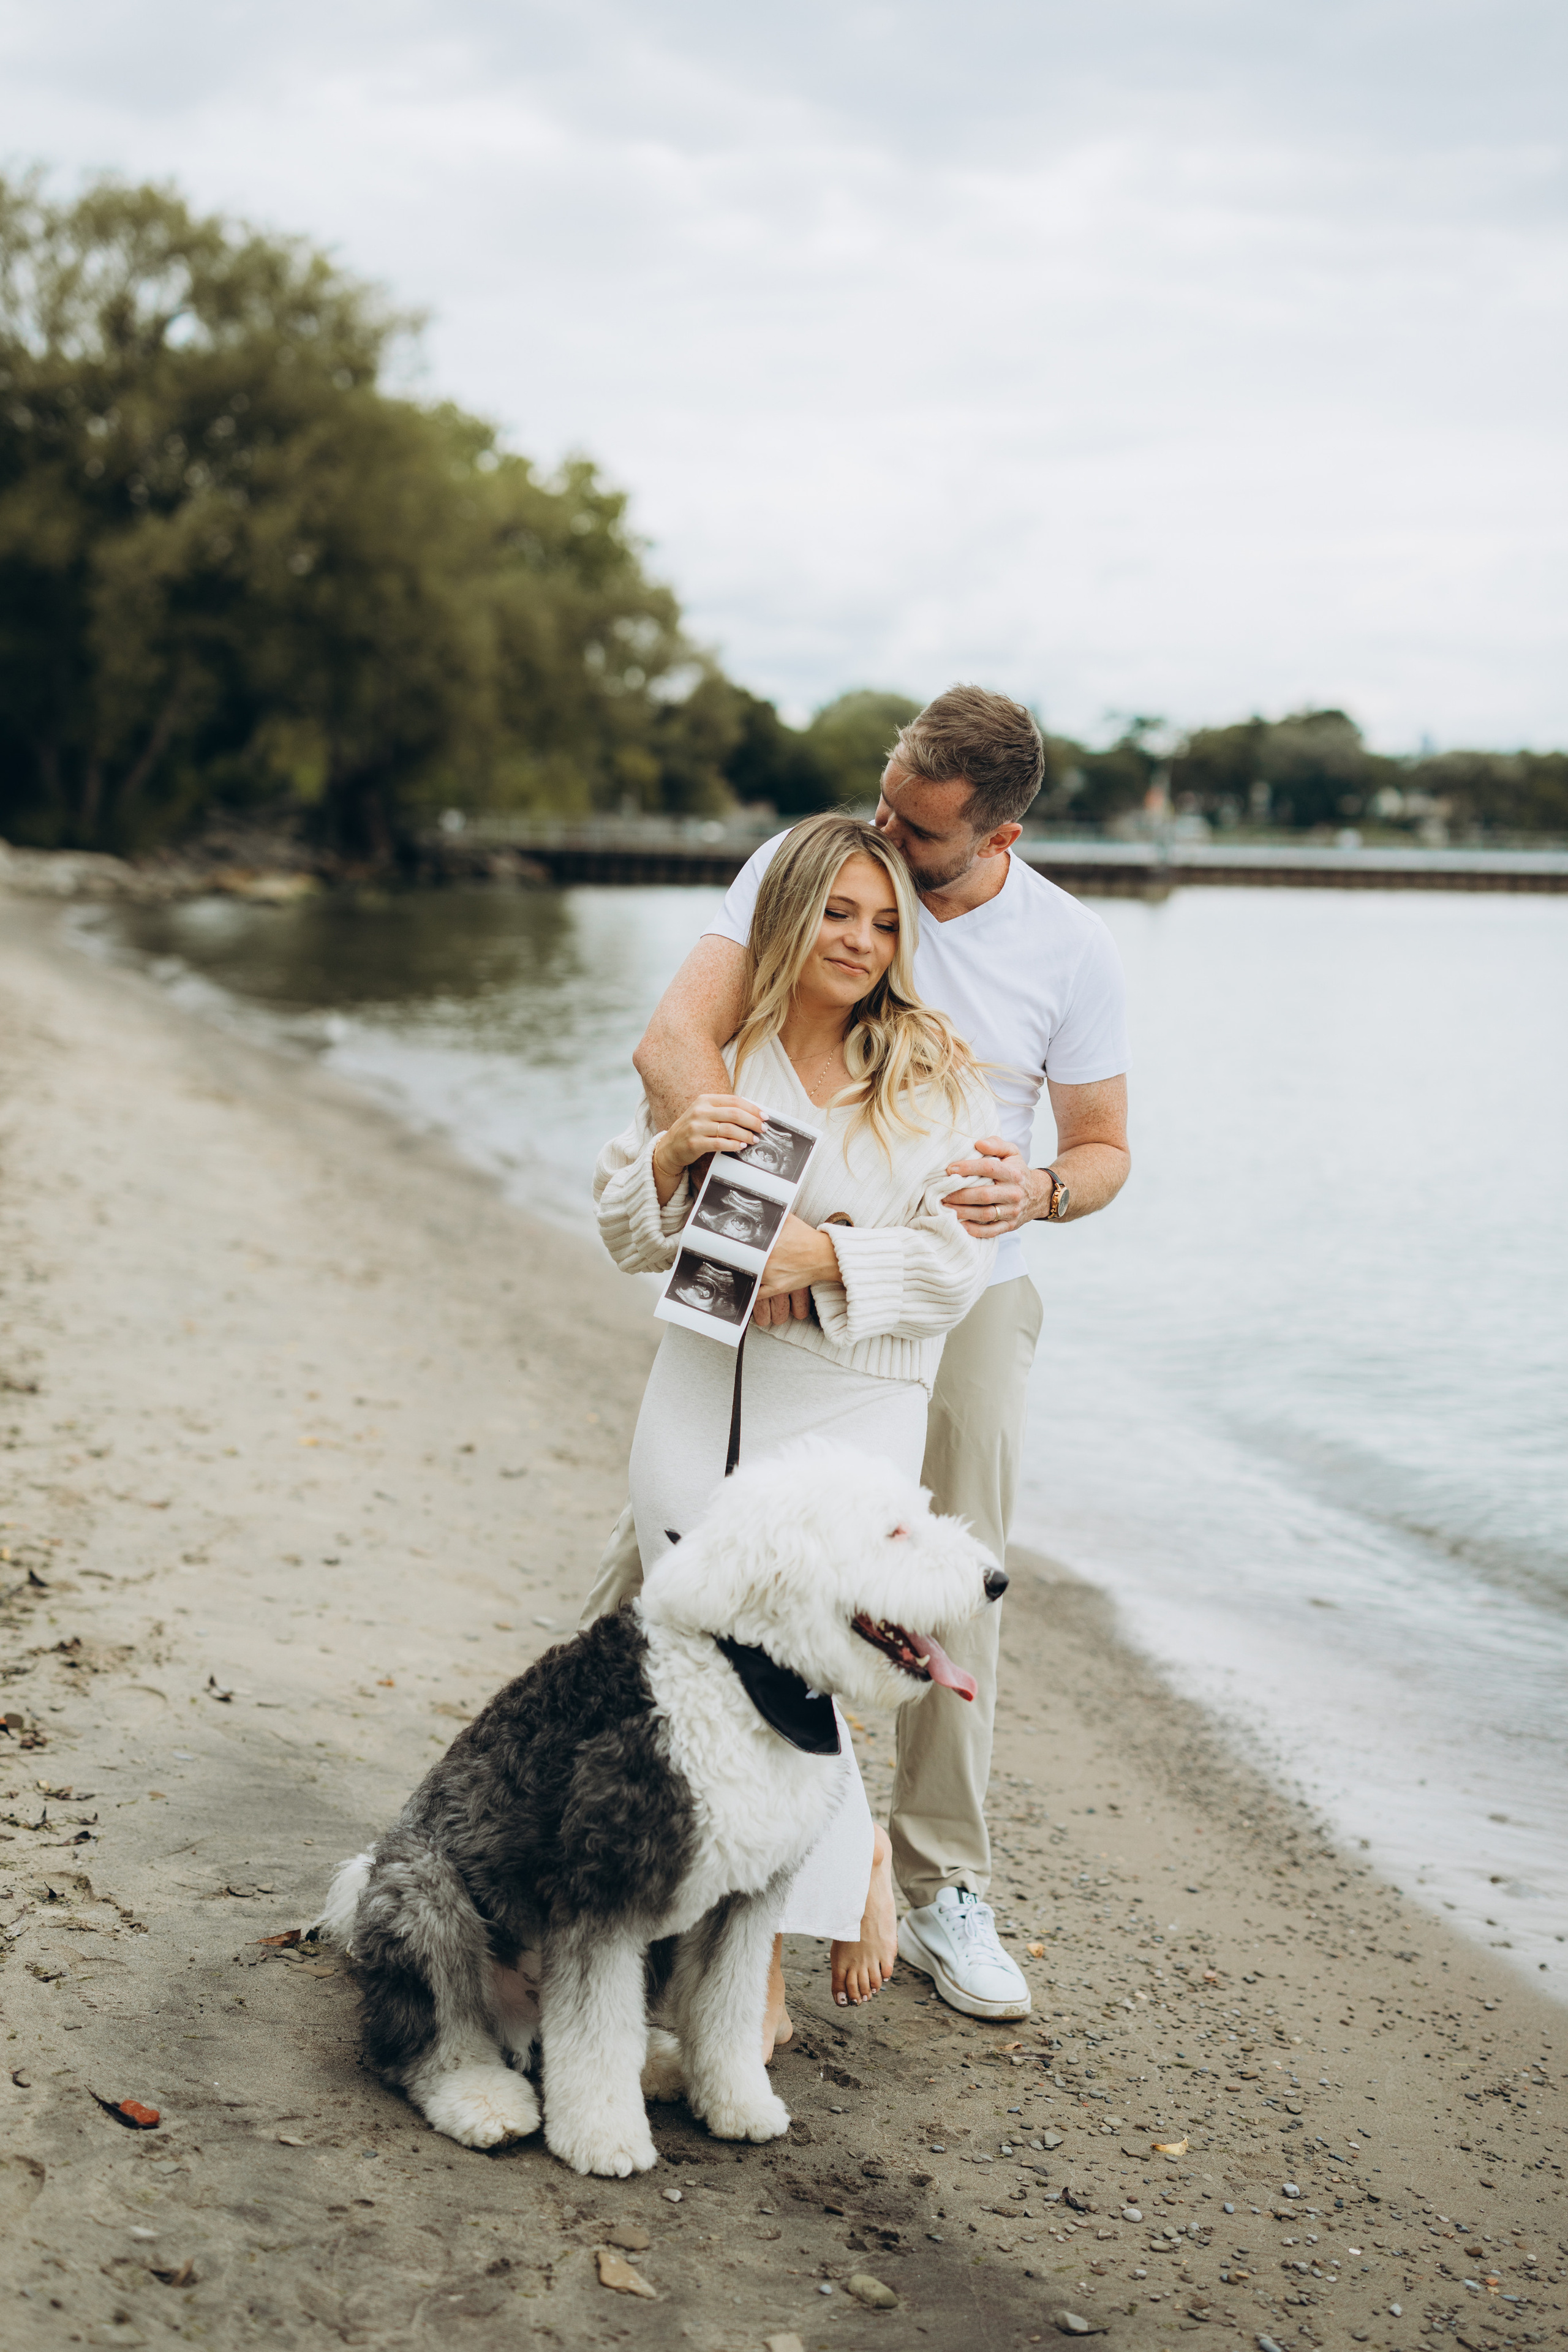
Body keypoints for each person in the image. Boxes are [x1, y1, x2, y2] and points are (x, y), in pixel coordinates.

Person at [586, 685, 1130, 2022]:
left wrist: (1034, 1194)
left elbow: (1104, 1151)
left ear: (995, 838)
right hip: (764, 1267)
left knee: (932, 1582)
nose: (885, 839)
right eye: (884, 802)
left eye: (918, 835)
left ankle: (932, 1878)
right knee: (673, 1568)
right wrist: (745, 1222)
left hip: (958, 1283)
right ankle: (629, 1834)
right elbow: (675, 1044)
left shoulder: (1066, 951)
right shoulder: (815, 860)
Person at [592, 812, 997, 2049]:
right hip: (703, 1386)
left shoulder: (933, 1073)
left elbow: (956, 1271)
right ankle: (819, 1868)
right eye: (836, 913)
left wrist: (822, 1259)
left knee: (801, 1662)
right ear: (787, 916)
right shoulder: (724, 1062)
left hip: (855, 1399)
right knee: (701, 1654)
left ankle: (758, 1963)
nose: (860, 941)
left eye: (883, 923)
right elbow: (622, 1232)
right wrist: (671, 1155)